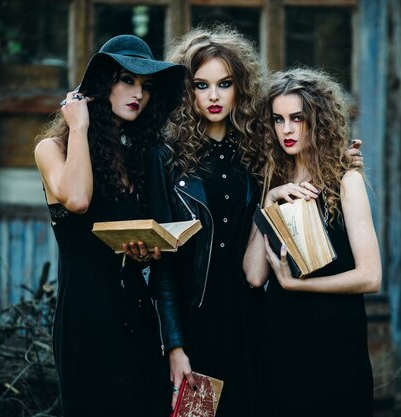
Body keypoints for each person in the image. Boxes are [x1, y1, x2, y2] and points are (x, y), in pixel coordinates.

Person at [34, 34, 185, 417]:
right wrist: (80, 126)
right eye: (127, 80)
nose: (138, 93)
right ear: (103, 85)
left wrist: (150, 251)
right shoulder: (53, 149)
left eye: (146, 86)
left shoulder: (140, 156)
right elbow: (79, 199)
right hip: (87, 314)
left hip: (136, 313)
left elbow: (151, 240)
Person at [141, 25, 267, 417]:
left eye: (224, 83)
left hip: (255, 317)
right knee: (196, 415)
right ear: (186, 90)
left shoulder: (260, 150)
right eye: (201, 85)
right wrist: (176, 345)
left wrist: (348, 162)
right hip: (197, 318)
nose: (214, 96)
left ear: (239, 87)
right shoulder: (167, 157)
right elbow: (164, 263)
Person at [242, 67, 382, 417]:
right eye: (278, 120)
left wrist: (295, 285)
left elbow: (370, 277)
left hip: (333, 339)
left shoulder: (345, 180)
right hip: (280, 339)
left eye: (297, 118)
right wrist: (269, 202)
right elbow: (254, 275)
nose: (286, 130)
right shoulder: (271, 180)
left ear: (318, 120)